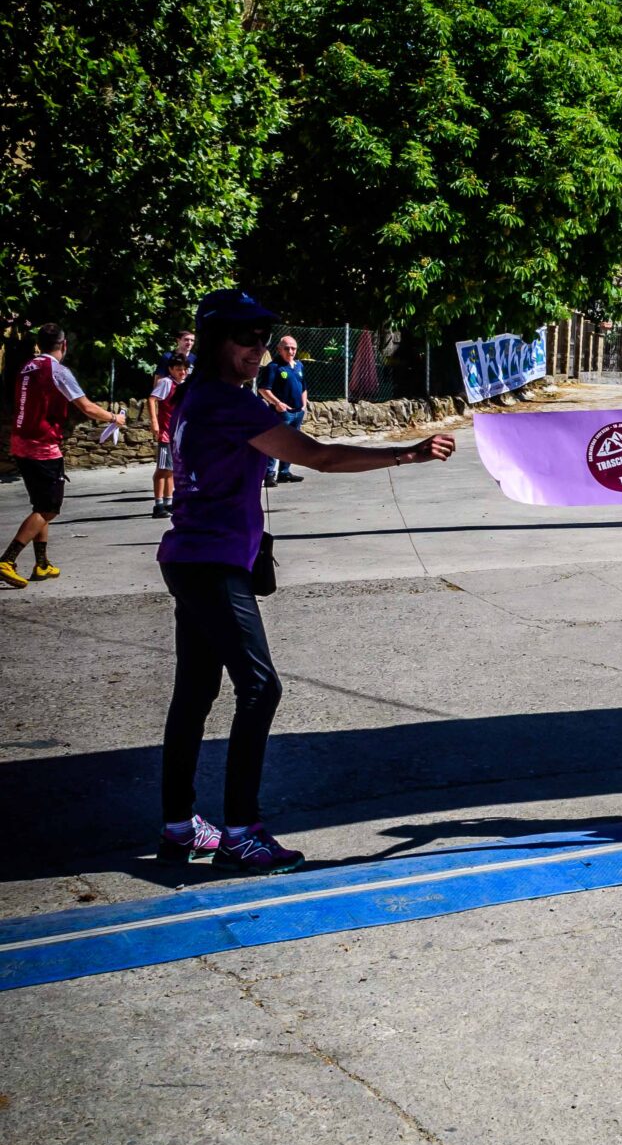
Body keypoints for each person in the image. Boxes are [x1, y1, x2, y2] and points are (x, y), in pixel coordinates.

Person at [157, 289, 455, 873]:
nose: (257, 349)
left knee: (195, 693)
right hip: (212, 561)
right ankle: (241, 831)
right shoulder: (229, 402)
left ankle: (177, 825)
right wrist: (406, 455)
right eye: (245, 339)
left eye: (263, 339)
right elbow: (320, 457)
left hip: (191, 557)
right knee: (259, 687)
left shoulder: (197, 394)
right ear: (215, 341)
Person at [2, 324, 126, 587]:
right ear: (64, 345)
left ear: (39, 344)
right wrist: (115, 418)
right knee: (48, 509)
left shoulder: (27, 367)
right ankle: (7, 560)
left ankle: (42, 563)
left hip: (20, 441)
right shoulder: (57, 371)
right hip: (43, 445)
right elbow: (87, 407)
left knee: (40, 505)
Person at [257, 330, 307, 485]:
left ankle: (284, 472)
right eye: (287, 348)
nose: (290, 351)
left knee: (291, 443)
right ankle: (269, 474)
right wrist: (277, 403)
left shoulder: (299, 365)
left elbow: (304, 387)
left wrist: (304, 405)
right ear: (279, 349)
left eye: (293, 348)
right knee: (276, 443)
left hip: (297, 412)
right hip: (281, 413)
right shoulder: (273, 367)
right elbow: (263, 389)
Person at [146, 352, 190, 518]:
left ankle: (168, 502)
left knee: (172, 469)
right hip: (166, 432)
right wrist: (154, 421)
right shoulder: (166, 383)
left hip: (179, 433)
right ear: (171, 369)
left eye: (184, 369)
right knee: (163, 468)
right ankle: (158, 505)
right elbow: (152, 399)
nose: (182, 372)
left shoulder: (184, 385)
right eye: (178, 369)